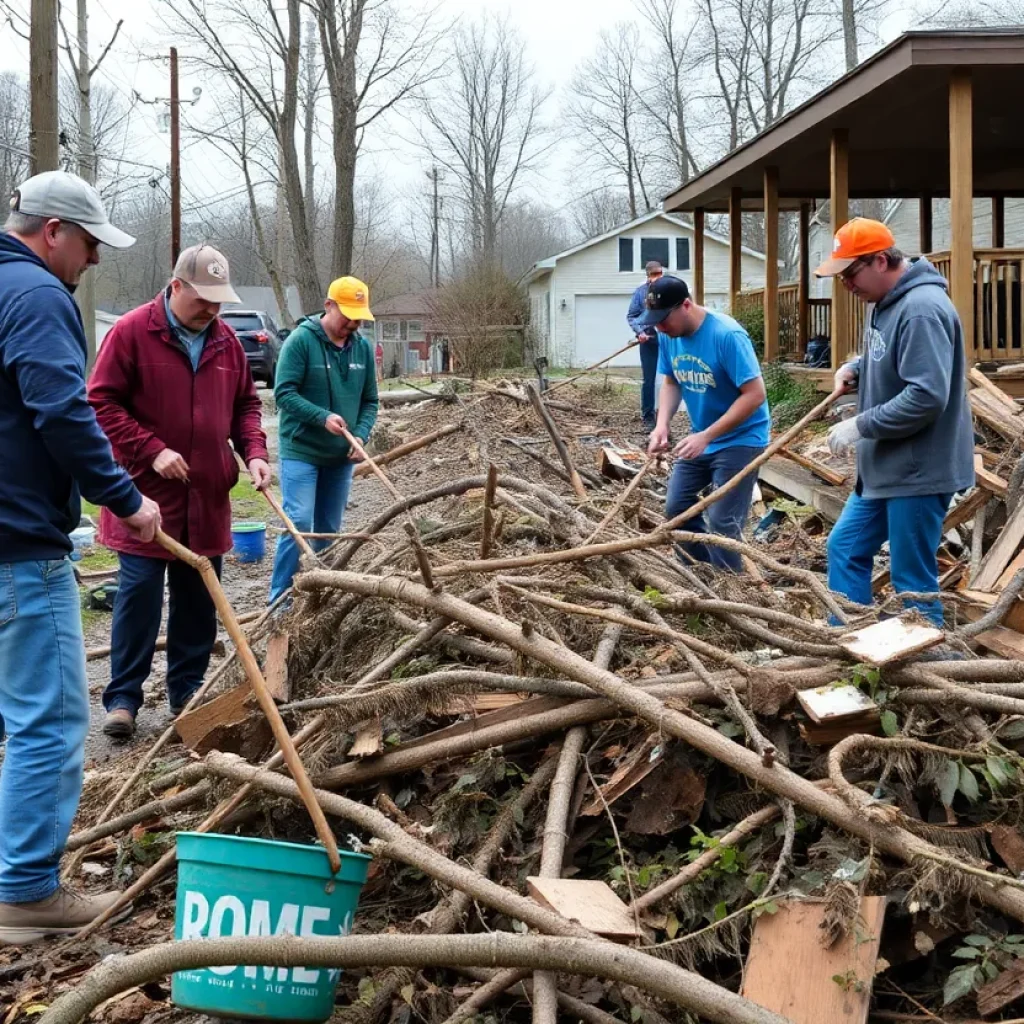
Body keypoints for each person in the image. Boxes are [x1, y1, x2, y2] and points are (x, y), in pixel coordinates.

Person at [0, 171, 161, 941]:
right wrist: (125, 501)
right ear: (54, 230)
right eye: (90, 242)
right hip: (18, 545)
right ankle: (26, 893)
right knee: (51, 719)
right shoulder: (35, 297)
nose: (93, 259)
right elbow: (62, 408)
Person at [89, 244, 270, 739]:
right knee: (139, 597)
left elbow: (246, 407)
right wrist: (150, 450)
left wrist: (254, 452)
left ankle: (186, 693)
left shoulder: (227, 342)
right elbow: (100, 403)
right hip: (146, 498)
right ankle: (124, 698)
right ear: (175, 288)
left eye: (219, 301)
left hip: (206, 499)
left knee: (198, 600)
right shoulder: (131, 333)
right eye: (203, 300)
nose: (212, 310)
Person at [815, 218, 974, 626]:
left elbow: (926, 395)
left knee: (912, 581)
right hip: (886, 468)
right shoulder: (886, 302)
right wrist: (859, 367)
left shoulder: (921, 308)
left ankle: (927, 668)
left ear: (882, 260)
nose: (846, 284)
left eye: (850, 273)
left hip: (919, 469)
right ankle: (851, 643)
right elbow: (894, 357)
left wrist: (860, 426)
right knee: (846, 548)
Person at [639, 276, 770, 572]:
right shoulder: (668, 336)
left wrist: (708, 435)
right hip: (703, 436)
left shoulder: (727, 335)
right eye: (655, 321)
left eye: (664, 319)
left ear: (686, 305)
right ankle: (701, 575)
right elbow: (671, 381)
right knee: (677, 509)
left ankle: (730, 594)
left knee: (723, 521)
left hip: (742, 439)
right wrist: (661, 425)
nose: (659, 327)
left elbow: (755, 395)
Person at [269, 276, 380, 602]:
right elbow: (283, 393)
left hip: (340, 456)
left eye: (359, 316)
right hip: (302, 449)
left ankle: (320, 596)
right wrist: (322, 416)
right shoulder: (301, 342)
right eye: (347, 314)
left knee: (329, 530)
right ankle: (280, 600)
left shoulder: (361, 347)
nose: (353, 322)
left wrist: (359, 435)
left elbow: (370, 401)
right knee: (301, 522)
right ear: (329, 305)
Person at [627, 260, 665, 432]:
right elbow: (632, 316)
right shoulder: (641, 292)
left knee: (671, 378)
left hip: (669, 339)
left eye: (660, 273)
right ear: (648, 276)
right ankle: (648, 417)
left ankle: (666, 417)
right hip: (649, 339)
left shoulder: (669, 289)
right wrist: (640, 332)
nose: (658, 277)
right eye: (654, 274)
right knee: (648, 380)